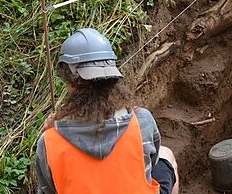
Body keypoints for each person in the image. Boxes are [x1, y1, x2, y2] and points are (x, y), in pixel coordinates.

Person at [35, 28, 179, 194]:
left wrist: (53, 133)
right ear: (112, 76)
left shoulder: (48, 141)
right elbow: (150, 164)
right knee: (166, 155)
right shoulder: (142, 120)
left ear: (69, 79)